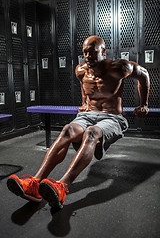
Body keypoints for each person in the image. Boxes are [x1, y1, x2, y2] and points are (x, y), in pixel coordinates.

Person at [7, 35, 150, 210]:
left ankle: (62, 186)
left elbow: (144, 75)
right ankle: (35, 183)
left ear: (103, 51)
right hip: (88, 114)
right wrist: (84, 104)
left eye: (92, 52)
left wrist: (144, 105)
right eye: (85, 53)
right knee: (67, 130)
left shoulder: (119, 67)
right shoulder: (80, 70)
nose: (88, 56)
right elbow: (85, 89)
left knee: (91, 133)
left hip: (112, 117)